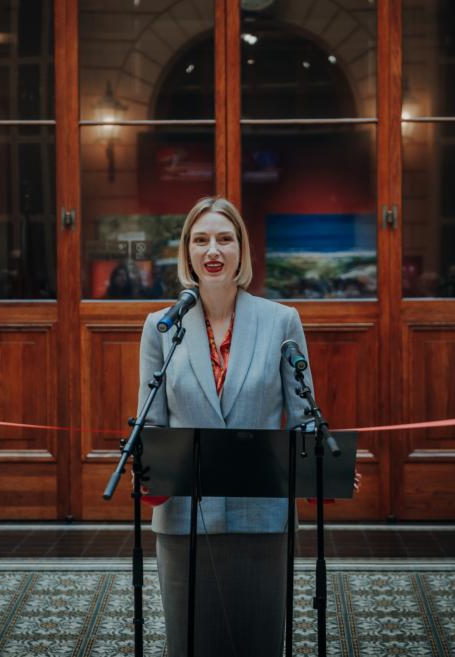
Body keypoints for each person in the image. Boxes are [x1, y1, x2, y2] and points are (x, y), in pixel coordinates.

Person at [136, 196, 314, 656]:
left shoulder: (282, 322)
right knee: (190, 642)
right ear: (187, 253)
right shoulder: (161, 327)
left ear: (241, 251)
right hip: (182, 516)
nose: (212, 250)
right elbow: (152, 421)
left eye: (224, 239)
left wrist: (321, 470)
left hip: (263, 516)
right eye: (200, 240)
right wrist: (144, 469)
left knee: (258, 641)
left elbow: (302, 417)